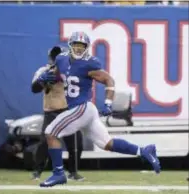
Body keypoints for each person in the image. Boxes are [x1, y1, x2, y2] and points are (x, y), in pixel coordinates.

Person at [39, 32, 161, 187]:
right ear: (70, 46)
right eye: (76, 45)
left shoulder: (90, 63)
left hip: (81, 108)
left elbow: (108, 80)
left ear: (87, 47)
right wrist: (46, 77)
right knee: (106, 144)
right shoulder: (61, 59)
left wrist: (108, 103)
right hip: (84, 111)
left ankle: (58, 174)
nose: (78, 48)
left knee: (51, 132)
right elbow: (57, 75)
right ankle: (144, 151)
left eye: (81, 46)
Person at [31, 46, 84, 181]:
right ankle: (37, 171)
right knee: (45, 143)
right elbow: (34, 88)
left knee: (76, 142)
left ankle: (73, 171)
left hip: (68, 111)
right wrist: (42, 80)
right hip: (51, 112)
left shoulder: (73, 71)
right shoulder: (43, 71)